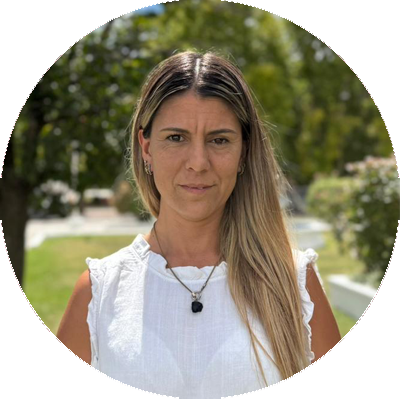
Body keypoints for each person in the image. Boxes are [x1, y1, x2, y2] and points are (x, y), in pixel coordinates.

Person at [51, 50, 346, 399]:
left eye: (219, 140)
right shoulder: (98, 294)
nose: (198, 162)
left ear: (243, 152)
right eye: (176, 137)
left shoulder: (295, 286)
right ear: (146, 147)